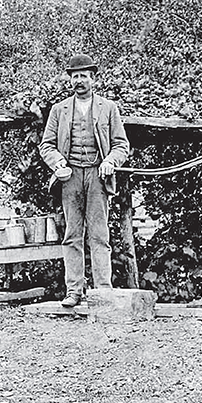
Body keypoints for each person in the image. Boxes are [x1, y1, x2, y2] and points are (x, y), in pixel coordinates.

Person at [39, 54, 129, 307]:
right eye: (75, 76)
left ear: (93, 79)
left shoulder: (108, 108)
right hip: (70, 178)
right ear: (70, 80)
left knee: (100, 235)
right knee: (72, 235)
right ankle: (74, 291)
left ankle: (103, 290)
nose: (79, 80)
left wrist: (111, 161)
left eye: (84, 76)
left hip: (98, 177)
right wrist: (58, 163)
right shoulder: (59, 110)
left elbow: (121, 145)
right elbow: (46, 145)